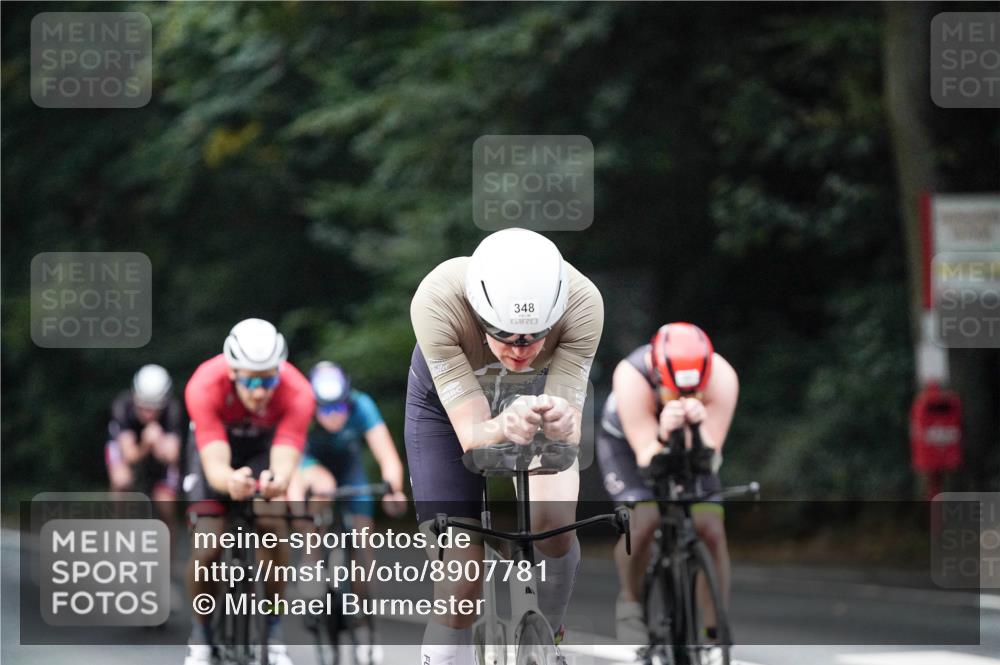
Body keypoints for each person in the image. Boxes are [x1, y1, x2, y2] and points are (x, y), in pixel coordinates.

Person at [405, 227, 604, 665]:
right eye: (505, 335)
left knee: (554, 526)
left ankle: (546, 640)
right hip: (447, 410)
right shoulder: (437, 301)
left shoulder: (584, 303)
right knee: (461, 579)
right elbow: (473, 436)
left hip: (535, 400)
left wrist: (564, 421)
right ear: (477, 313)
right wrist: (501, 424)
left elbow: (565, 423)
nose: (520, 350)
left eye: (535, 337)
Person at [596, 322, 738, 648]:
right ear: (658, 377)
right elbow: (648, 457)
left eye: (694, 391)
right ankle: (630, 602)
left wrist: (698, 426)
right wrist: (663, 430)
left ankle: (714, 636)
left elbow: (710, 458)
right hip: (631, 446)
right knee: (644, 521)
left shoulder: (722, 376)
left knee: (711, 529)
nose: (686, 397)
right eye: (676, 390)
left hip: (692, 446)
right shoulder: (632, 376)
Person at [181, 318, 314, 665]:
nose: (260, 391)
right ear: (232, 372)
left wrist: (277, 482)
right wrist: (228, 481)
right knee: (208, 546)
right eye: (251, 380)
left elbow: (285, 457)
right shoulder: (204, 384)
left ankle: (272, 626)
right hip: (215, 451)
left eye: (268, 379)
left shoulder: (298, 391)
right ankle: (201, 634)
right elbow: (213, 462)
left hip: (261, 452)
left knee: (273, 526)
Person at [286, 361, 407, 665]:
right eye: (325, 410)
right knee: (320, 491)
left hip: (351, 474)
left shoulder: (362, 405)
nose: (334, 416)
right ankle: (312, 558)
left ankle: (366, 630)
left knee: (363, 555)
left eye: (339, 407)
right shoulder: (300, 410)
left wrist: (395, 489)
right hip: (311, 467)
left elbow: (387, 456)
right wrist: (297, 506)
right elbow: (290, 464)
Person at [105, 364, 183, 522]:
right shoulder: (123, 406)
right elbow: (129, 456)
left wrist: (159, 443)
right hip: (131, 452)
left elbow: (173, 457)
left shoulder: (172, 410)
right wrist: (146, 444)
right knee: (122, 481)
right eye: (144, 407)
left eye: (155, 408)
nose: (149, 414)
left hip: (157, 453)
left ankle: (169, 545)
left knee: (166, 504)